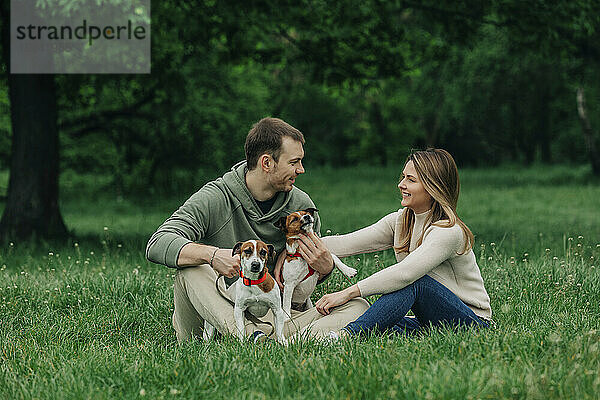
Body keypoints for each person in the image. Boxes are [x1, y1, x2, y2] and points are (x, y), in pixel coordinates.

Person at [146, 117, 368, 342]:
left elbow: (301, 280)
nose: (301, 169)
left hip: (277, 315)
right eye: (294, 162)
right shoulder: (215, 197)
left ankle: (275, 341)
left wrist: (325, 268)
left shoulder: (301, 207)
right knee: (191, 269)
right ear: (266, 163)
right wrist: (212, 256)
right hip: (213, 314)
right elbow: (158, 242)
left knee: (358, 306)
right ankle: (250, 336)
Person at [314, 148, 492, 337]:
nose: (401, 184)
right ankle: (309, 337)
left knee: (416, 283)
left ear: (433, 187)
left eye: (411, 180)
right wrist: (292, 246)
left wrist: (348, 292)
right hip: (427, 321)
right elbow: (345, 244)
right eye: (403, 177)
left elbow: (405, 274)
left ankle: (344, 337)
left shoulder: (448, 231)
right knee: (370, 318)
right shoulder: (401, 221)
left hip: (471, 323)